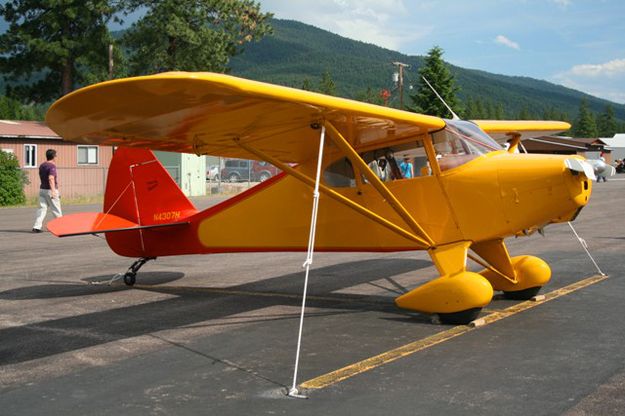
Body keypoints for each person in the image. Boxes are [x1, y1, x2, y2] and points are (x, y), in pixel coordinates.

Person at [32, 149, 62, 232]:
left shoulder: (42, 165)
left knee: (41, 209)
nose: (56, 157)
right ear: (53, 156)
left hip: (42, 189)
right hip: (50, 190)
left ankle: (36, 227)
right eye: (56, 155)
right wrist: (53, 191)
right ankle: (61, 227)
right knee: (56, 209)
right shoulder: (52, 166)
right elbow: (51, 178)